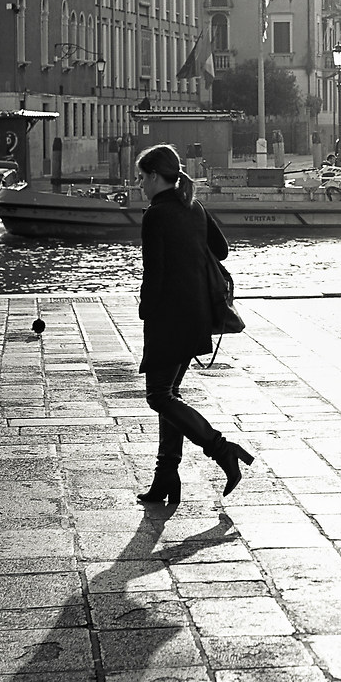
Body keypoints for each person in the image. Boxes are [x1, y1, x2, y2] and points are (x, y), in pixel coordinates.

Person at [135, 143, 254, 512]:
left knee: (158, 395)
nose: (139, 184)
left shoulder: (156, 214)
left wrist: (145, 312)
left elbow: (154, 274)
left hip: (169, 317)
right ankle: (165, 476)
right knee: (169, 395)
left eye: (142, 177)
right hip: (197, 315)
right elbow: (221, 250)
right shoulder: (193, 206)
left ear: (155, 177)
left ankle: (222, 450)